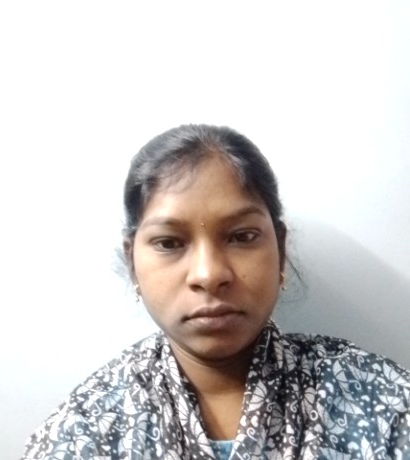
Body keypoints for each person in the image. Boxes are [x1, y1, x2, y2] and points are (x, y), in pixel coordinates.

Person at [21, 125, 410, 460]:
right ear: (132, 261)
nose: (209, 275)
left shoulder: (382, 403)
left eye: (241, 237)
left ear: (280, 248)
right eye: (169, 243)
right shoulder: (83, 431)